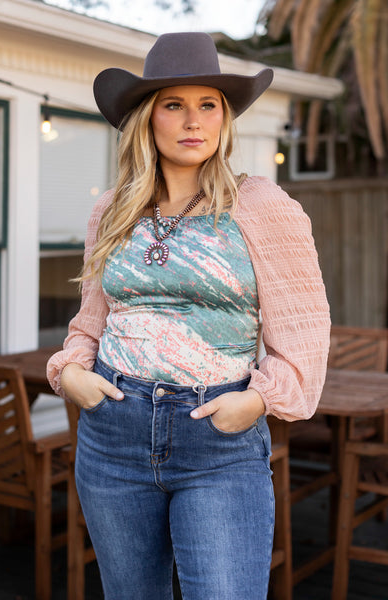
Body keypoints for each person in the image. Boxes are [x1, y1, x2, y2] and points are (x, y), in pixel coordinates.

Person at [47, 32, 330, 600]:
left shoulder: (260, 206)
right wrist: (71, 371)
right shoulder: (112, 211)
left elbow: (305, 330)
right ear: (147, 119)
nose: (192, 120)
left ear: (225, 120)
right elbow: (92, 318)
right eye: (174, 104)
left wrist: (258, 400)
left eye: (209, 105)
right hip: (113, 433)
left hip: (216, 437)